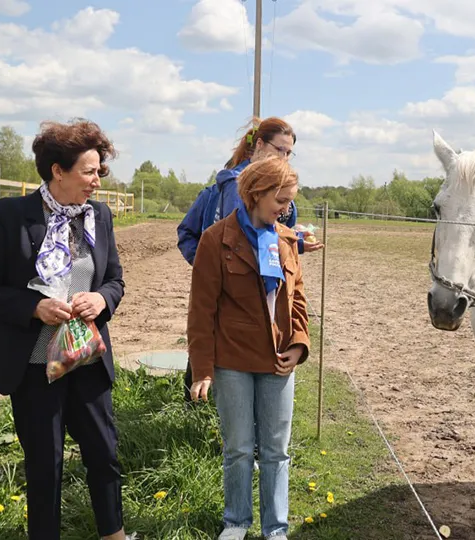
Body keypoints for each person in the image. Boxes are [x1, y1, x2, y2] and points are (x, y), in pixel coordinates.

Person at [0, 119, 132, 540]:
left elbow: (114, 280)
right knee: (45, 463)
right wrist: (34, 307)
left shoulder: (99, 216)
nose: (97, 181)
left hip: (87, 358)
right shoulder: (10, 215)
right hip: (35, 364)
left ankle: (113, 534)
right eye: (89, 171)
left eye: (100, 171)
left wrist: (102, 300)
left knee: (104, 452)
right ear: (58, 170)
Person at [187, 156, 310, 540]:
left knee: (276, 449)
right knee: (239, 448)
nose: (286, 208)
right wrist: (203, 369)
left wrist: (300, 345)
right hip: (233, 362)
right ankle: (236, 522)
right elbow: (201, 311)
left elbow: (300, 301)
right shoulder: (215, 240)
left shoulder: (288, 240)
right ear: (255, 194)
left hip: (279, 361)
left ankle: (276, 529)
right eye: (280, 200)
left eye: (289, 200)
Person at [176, 116, 323, 402]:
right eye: (279, 149)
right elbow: (242, 244)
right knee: (219, 351)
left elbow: (272, 238)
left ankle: (198, 413)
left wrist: (294, 244)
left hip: (251, 297)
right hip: (238, 298)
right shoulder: (235, 185)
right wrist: (211, 267)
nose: (284, 157)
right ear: (259, 145)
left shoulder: (263, 184)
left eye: (289, 153)